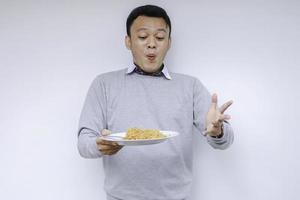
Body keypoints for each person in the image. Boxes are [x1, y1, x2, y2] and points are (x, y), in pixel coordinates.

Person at [77, 4, 234, 200]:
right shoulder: (104, 84)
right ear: (128, 41)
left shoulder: (190, 86)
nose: (152, 44)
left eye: (160, 37)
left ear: (169, 42)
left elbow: (224, 141)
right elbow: (84, 142)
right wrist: (99, 145)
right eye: (143, 37)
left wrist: (218, 131)